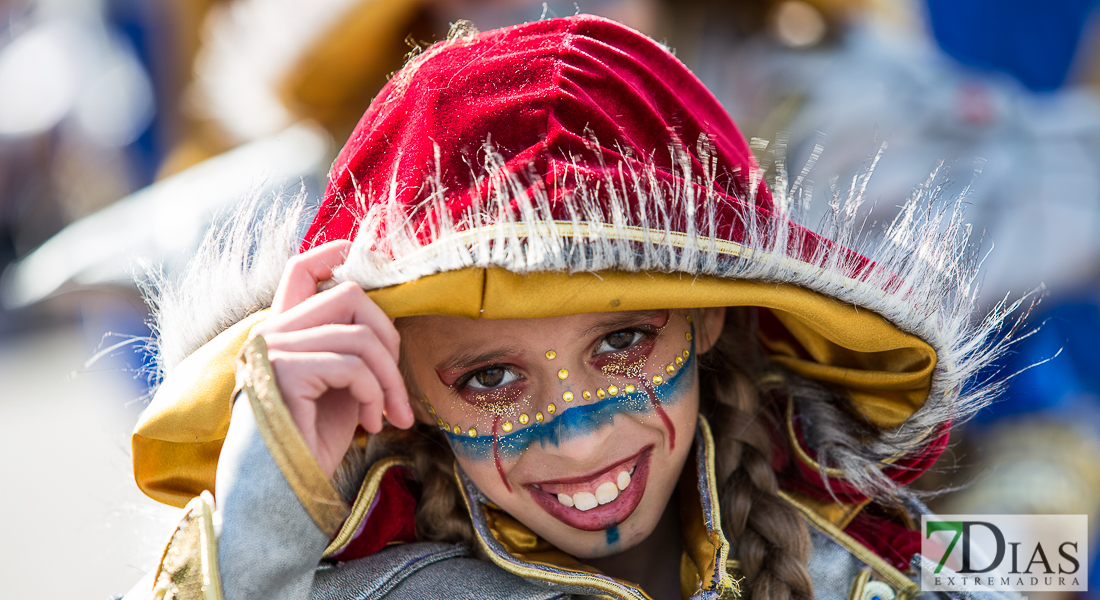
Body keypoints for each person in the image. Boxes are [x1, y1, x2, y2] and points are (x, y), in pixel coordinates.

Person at [122, 15, 1019, 600]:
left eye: (623, 341)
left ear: (710, 317)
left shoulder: (875, 557)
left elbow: (1027, 553)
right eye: (489, 377)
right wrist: (257, 521)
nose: (580, 436)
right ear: (397, 386)